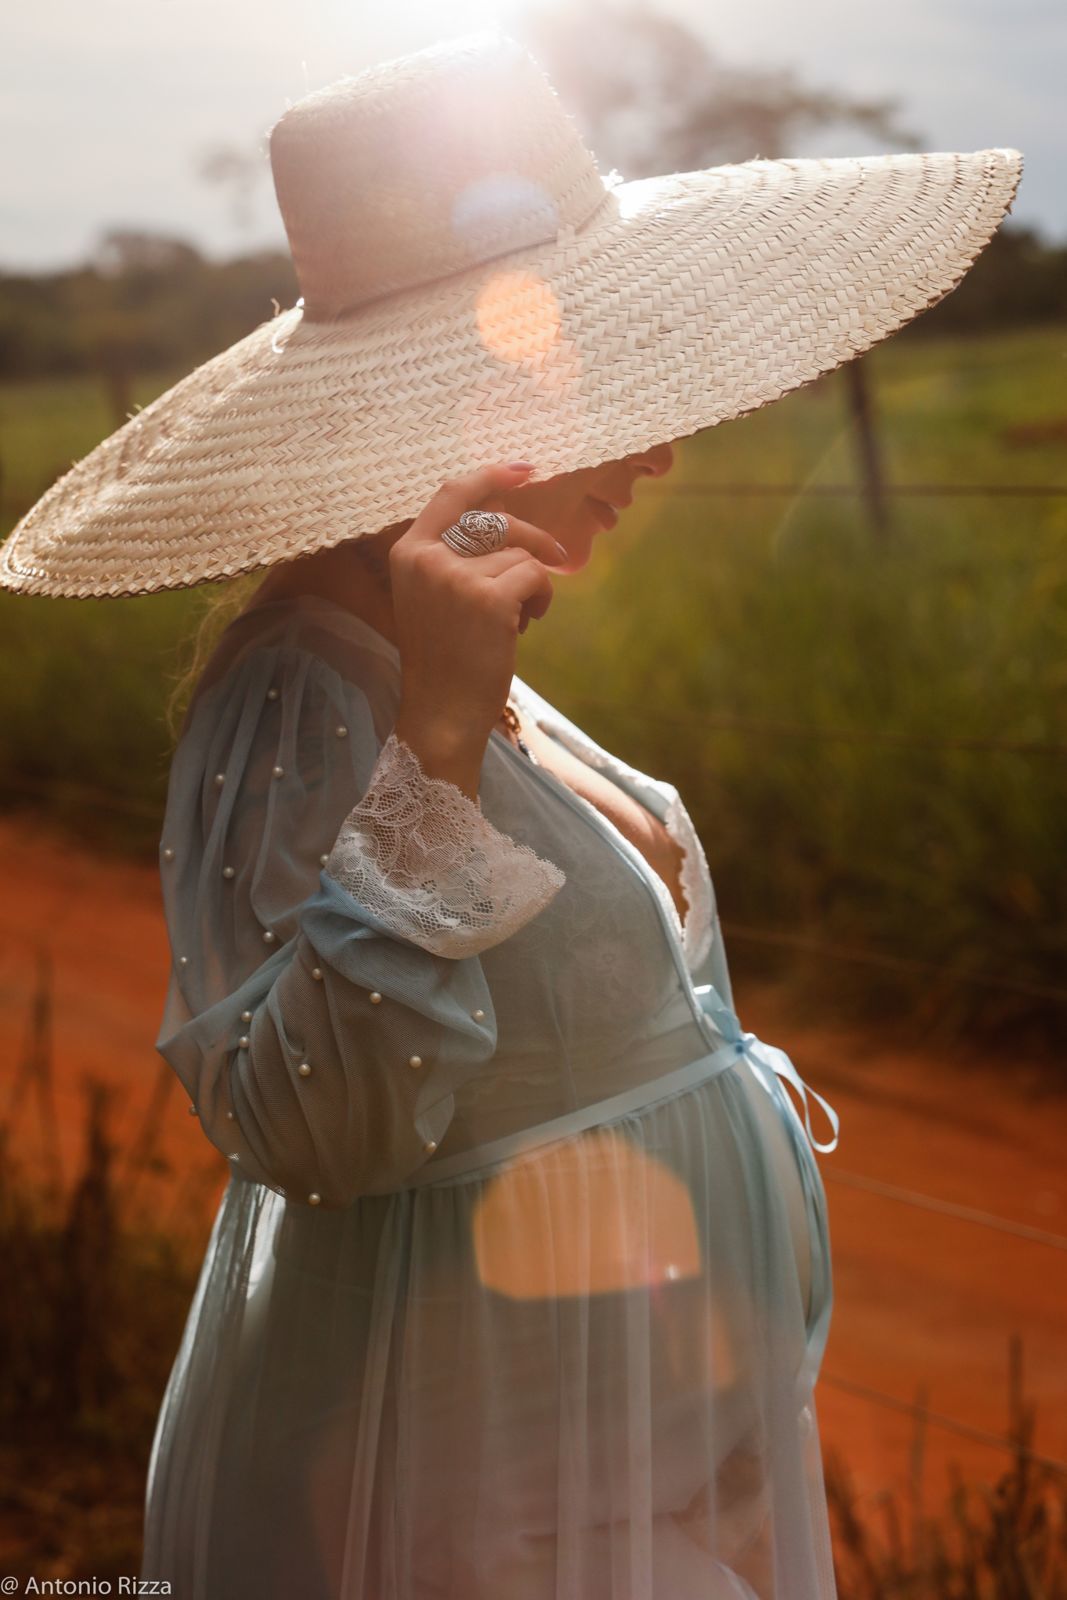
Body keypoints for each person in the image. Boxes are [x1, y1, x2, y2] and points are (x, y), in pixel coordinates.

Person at [0, 29, 1021, 1600]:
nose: (667, 445)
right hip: (444, 1507)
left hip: (618, 1487)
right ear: (474, 390)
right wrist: (442, 731)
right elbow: (303, 1126)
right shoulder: (306, 694)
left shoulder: (452, 642)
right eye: (609, 382)